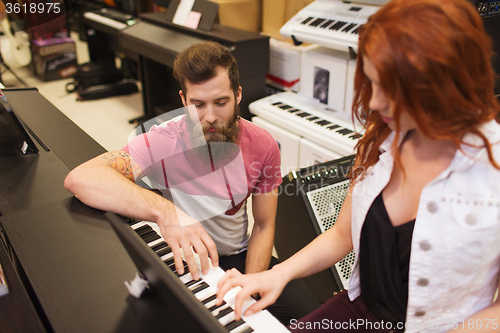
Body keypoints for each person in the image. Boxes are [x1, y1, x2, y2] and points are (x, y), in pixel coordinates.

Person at [215, 0, 500, 331]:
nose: (376, 103)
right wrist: (278, 273)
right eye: (373, 84)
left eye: (390, 90)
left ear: (441, 85)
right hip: (360, 313)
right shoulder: (384, 141)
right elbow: (340, 234)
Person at [64, 40, 319, 325]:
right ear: (184, 100)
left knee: (314, 318)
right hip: (185, 258)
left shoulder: (264, 145)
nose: (210, 117)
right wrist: (166, 213)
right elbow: (82, 178)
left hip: (239, 256)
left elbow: (263, 225)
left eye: (221, 102)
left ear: (238, 95)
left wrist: (248, 286)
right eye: (198, 104)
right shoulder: (164, 140)